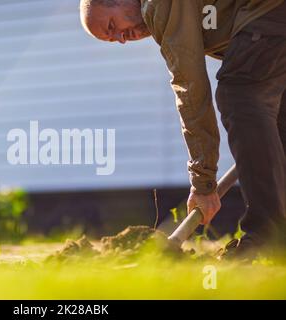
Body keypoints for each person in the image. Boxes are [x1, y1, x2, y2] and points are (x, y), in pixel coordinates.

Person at [79, 0, 286, 257]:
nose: (122, 38)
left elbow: (190, 87)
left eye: (113, 26)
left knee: (241, 95)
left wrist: (203, 183)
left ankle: (268, 237)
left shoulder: (160, 5)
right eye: (113, 40)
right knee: (274, 121)